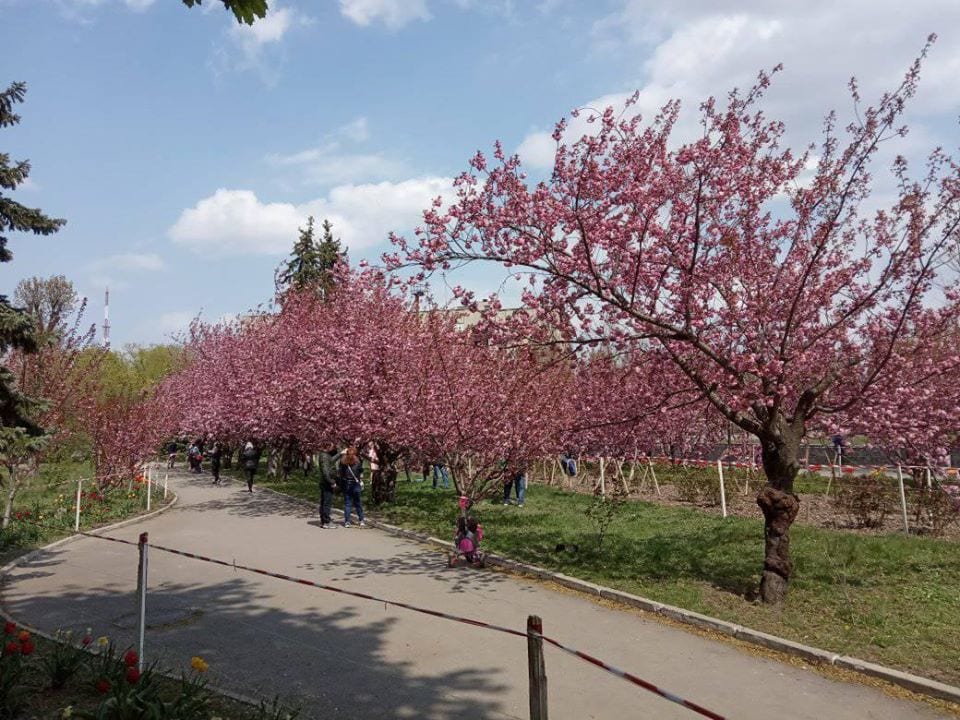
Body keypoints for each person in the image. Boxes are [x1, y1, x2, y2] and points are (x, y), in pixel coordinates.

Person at [318, 442, 343, 529]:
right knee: (327, 502)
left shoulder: (325, 455)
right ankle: (326, 522)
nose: (333, 448)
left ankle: (324, 520)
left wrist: (340, 453)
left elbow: (331, 460)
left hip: (325, 481)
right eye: (332, 446)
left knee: (324, 502)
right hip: (326, 482)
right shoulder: (324, 456)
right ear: (327, 446)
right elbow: (325, 471)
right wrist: (331, 481)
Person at [339, 445, 365, 527]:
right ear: (354, 454)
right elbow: (361, 471)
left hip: (347, 484)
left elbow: (341, 474)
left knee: (347, 504)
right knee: (358, 503)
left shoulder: (343, 463)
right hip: (355, 484)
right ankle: (361, 520)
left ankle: (347, 522)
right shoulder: (357, 463)